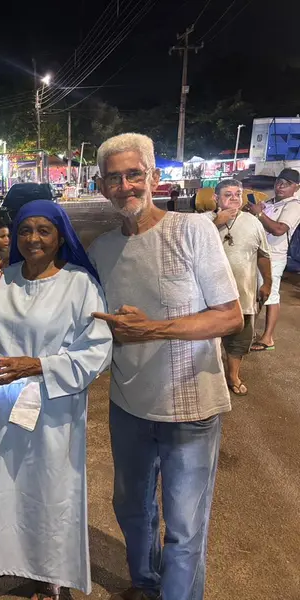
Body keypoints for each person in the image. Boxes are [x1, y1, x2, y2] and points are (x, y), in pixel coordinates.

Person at [89, 133, 243, 600]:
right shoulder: (101, 250)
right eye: (114, 178)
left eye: (134, 174)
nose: (125, 185)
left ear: (154, 177)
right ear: (101, 186)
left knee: (184, 526)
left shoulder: (192, 230)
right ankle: (145, 582)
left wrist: (152, 330)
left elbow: (230, 315)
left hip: (189, 406)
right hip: (128, 403)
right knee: (132, 507)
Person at [0, 200, 113, 600]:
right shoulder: (4, 280)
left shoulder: (81, 284)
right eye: (26, 230)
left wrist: (39, 365)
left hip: (53, 409)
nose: (33, 239)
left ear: (61, 236)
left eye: (44, 230)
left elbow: (96, 350)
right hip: (2, 405)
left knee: (48, 489)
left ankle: (50, 575)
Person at [207, 178, 271, 396]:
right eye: (228, 194)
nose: (234, 198)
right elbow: (187, 246)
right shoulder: (203, 222)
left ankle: (232, 376)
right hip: (209, 298)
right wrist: (217, 221)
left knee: (239, 340)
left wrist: (268, 283)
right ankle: (208, 380)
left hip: (242, 295)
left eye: (238, 194)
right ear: (216, 198)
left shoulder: (253, 222)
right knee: (206, 341)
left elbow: (263, 255)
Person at [242, 167, 300, 351]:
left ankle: (268, 338)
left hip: (274, 255)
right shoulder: (269, 202)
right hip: (258, 254)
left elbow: (279, 229)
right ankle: (249, 333)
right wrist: (251, 213)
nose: (281, 186)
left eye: (287, 184)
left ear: (296, 188)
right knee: (257, 293)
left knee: (270, 294)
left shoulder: (294, 206)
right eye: (279, 182)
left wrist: (259, 214)